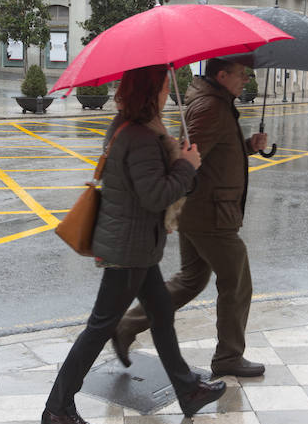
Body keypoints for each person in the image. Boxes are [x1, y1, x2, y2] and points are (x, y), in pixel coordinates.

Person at [41, 65, 225, 424]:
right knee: (100, 327)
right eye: (163, 87)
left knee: (161, 313)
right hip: (129, 249)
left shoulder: (132, 126)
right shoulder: (140, 137)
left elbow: (149, 186)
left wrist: (178, 161)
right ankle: (57, 409)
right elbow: (155, 195)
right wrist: (186, 167)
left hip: (137, 244)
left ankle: (188, 389)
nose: (167, 93)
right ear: (150, 92)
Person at [113, 58, 268, 378]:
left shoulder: (217, 102)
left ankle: (125, 326)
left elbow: (214, 154)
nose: (246, 80)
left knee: (190, 280)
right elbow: (188, 156)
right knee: (237, 282)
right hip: (211, 213)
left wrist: (248, 147)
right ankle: (228, 357)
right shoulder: (211, 107)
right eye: (241, 74)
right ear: (222, 75)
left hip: (205, 210)